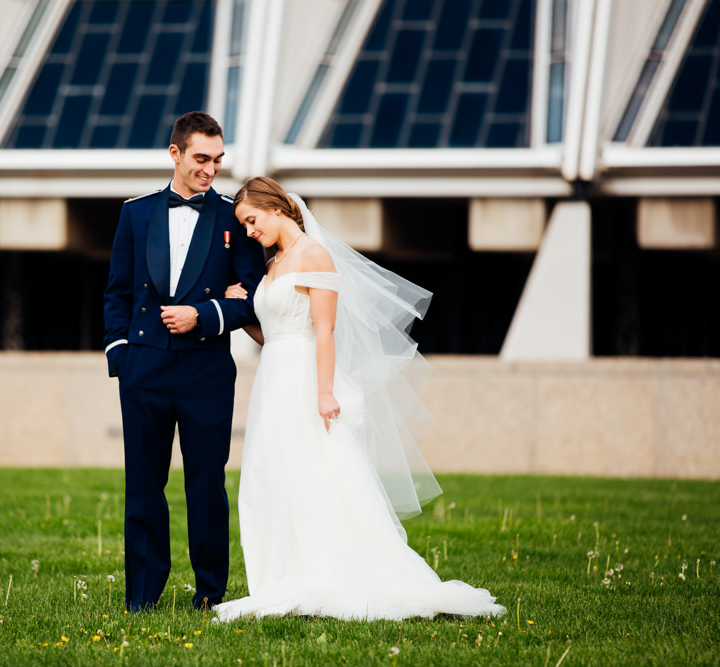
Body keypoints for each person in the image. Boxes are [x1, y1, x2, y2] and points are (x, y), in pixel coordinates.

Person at [213, 177, 505, 622]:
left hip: (304, 378)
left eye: (252, 221)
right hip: (273, 378)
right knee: (269, 475)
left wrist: (325, 392)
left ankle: (327, 571)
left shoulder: (314, 255)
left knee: (314, 471)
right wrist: (243, 308)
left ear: (275, 208)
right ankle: (280, 574)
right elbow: (273, 334)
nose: (250, 231)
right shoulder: (274, 264)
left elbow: (324, 331)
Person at [103, 112, 266, 612]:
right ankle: (142, 598)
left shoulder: (232, 217)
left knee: (206, 485)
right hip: (144, 370)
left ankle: (210, 593)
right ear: (175, 154)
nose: (211, 169)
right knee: (144, 484)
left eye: (218, 160)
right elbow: (118, 293)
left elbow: (259, 293)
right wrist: (122, 359)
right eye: (201, 158)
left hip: (207, 372)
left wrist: (206, 314)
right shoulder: (135, 213)